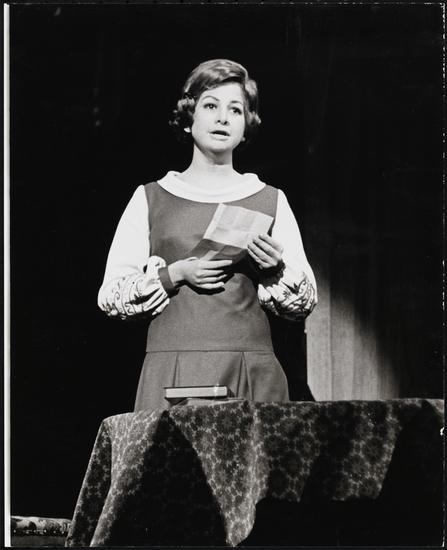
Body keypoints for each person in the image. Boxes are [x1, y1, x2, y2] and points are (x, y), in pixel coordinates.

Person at [97, 59, 317, 412]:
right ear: (189, 118)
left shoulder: (270, 199)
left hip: (251, 369)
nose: (223, 118)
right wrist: (175, 274)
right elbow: (111, 297)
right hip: (173, 366)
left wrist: (274, 268)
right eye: (211, 106)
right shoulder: (151, 197)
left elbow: (304, 302)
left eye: (235, 109)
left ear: (246, 126)